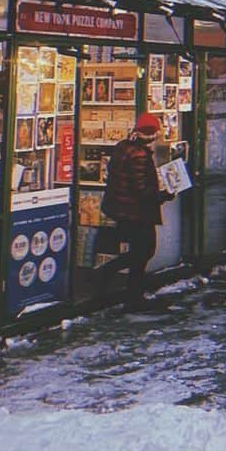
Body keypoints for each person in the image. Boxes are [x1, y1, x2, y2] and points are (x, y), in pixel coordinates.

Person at [96, 112, 173, 306]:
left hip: (123, 208)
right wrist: (164, 195)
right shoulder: (139, 155)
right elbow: (141, 190)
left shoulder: (124, 147)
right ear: (151, 135)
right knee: (145, 251)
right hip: (136, 211)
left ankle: (122, 285)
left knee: (140, 251)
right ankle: (127, 291)